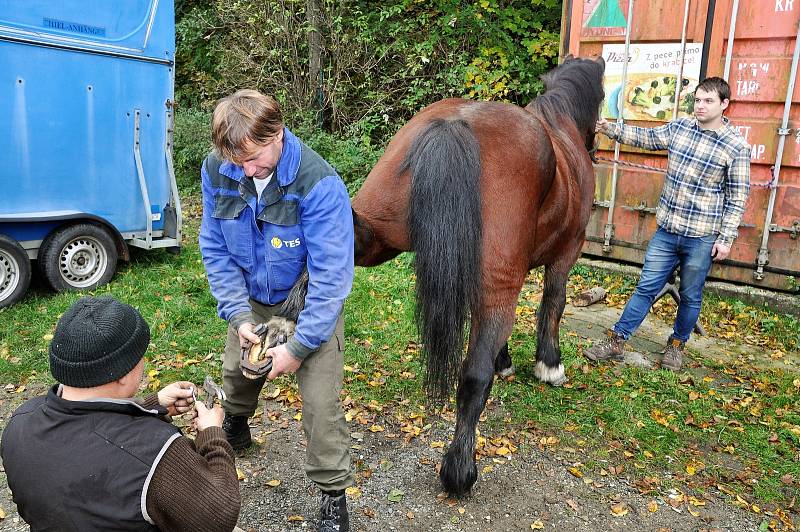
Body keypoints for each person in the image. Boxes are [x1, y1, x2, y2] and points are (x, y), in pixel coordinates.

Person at [199, 89, 354, 532]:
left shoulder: (319, 184)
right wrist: (238, 316)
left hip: (307, 301)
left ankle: (332, 496)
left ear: (277, 134)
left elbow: (331, 279)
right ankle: (237, 426)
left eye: (253, 158)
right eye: (236, 162)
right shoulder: (218, 169)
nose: (245, 171)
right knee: (237, 372)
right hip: (251, 296)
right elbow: (215, 246)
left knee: (321, 405)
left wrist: (300, 347)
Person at [0, 295, 241, 532]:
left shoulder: (21, 420)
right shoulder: (156, 452)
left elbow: (92, 436)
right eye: (140, 356)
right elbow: (218, 517)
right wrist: (212, 434)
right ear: (124, 373)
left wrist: (151, 405)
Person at [584, 76, 750, 370]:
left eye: (708, 101)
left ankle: (676, 346)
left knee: (690, 295)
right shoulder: (681, 128)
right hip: (668, 230)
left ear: (724, 104)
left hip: (702, 236)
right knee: (646, 287)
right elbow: (645, 138)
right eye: (697, 100)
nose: (700, 106)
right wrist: (609, 128)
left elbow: (738, 197)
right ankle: (616, 341)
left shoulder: (736, 146)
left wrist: (725, 238)